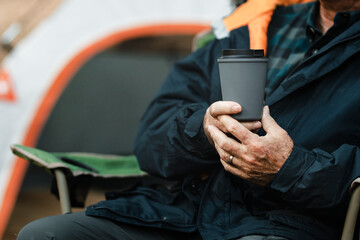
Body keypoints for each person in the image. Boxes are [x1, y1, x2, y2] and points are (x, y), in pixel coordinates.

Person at [17, 0, 360, 239]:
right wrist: (204, 129)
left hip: (291, 223)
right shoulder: (246, 27)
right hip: (185, 211)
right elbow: (152, 135)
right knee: (44, 234)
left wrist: (291, 168)